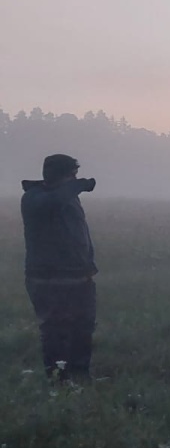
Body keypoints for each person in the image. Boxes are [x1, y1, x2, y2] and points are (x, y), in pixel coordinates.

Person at [21, 154, 99, 381]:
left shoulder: (67, 197)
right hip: (48, 279)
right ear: (60, 176)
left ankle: (81, 376)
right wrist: (78, 186)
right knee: (54, 330)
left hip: (79, 277)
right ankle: (58, 379)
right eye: (72, 175)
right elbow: (54, 202)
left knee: (82, 328)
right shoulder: (34, 198)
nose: (75, 179)